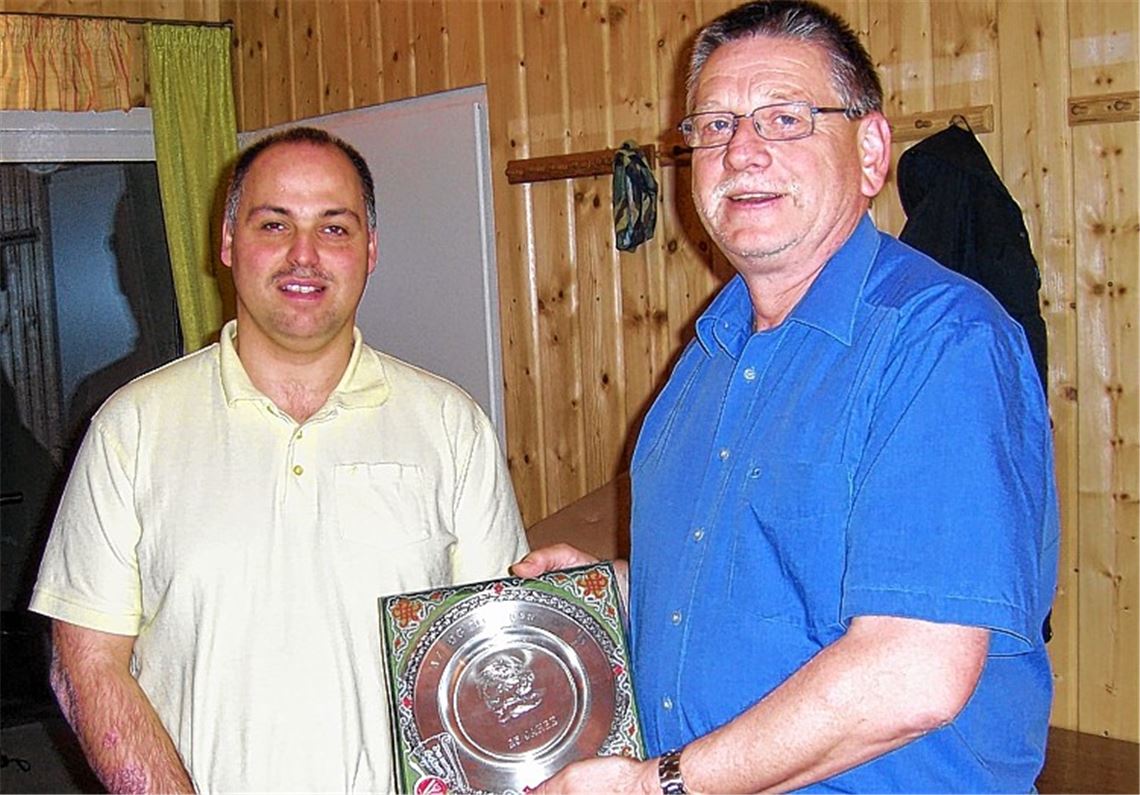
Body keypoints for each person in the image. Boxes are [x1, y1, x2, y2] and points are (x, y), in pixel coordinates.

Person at [512, 1, 1060, 792]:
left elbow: (913, 669)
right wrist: (609, 595)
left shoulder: (941, 342)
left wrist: (654, 784)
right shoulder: (704, 360)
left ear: (871, 151)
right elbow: (759, 582)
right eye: (714, 126)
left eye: (785, 118)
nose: (742, 151)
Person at [29, 127, 529, 793]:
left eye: (334, 228)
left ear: (371, 250)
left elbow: (492, 656)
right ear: (229, 243)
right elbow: (86, 662)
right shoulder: (132, 427)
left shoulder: (451, 426)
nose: (304, 255)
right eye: (274, 224)